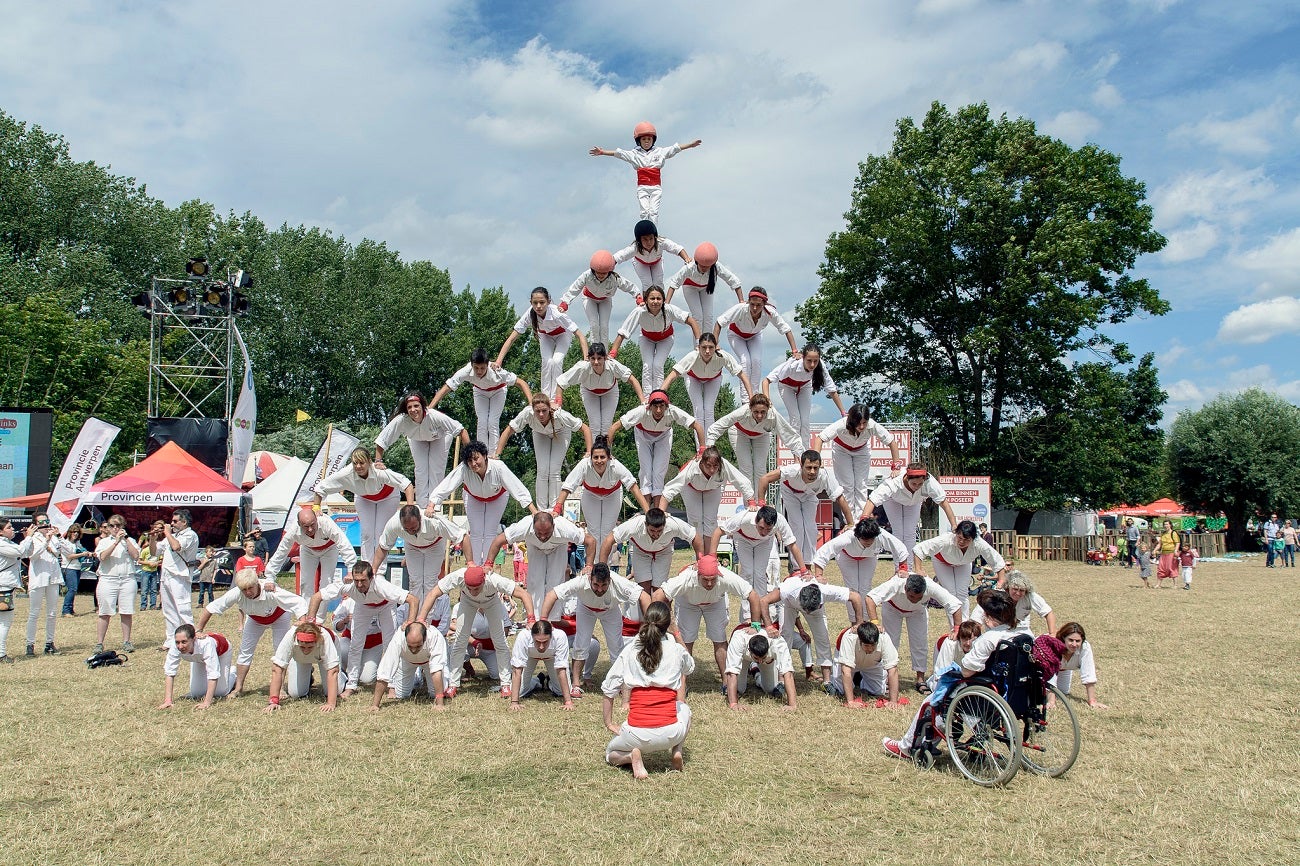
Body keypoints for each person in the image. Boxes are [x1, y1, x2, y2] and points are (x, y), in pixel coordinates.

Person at [882, 589, 1018, 759]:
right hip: (1013, 690)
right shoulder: (1022, 634)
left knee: (932, 702)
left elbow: (968, 670)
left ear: (989, 617)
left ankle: (906, 746)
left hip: (984, 690)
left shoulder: (988, 639)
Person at [600, 600, 694, 779]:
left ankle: (630, 756)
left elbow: (608, 688)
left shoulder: (631, 650)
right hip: (672, 732)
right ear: (668, 624)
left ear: (645, 620)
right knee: (685, 710)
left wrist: (609, 723)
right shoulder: (675, 649)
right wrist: (677, 633)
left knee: (610, 754)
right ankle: (677, 750)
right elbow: (689, 667)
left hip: (636, 733)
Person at [416, 564, 536, 699]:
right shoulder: (459, 576)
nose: (473, 591)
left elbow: (523, 594)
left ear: (484, 580)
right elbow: (434, 593)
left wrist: (531, 619)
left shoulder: (494, 579)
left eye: (476, 588)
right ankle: (453, 684)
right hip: (468, 602)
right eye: (470, 588)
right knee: (459, 641)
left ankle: (506, 684)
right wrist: (421, 618)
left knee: (500, 641)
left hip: (491, 603)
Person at [305, 561, 417, 697]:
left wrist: (410, 621)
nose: (359, 585)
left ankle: (391, 684)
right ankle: (351, 685)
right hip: (363, 606)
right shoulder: (348, 586)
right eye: (356, 580)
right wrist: (310, 623)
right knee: (356, 644)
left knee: (390, 644)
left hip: (386, 605)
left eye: (363, 581)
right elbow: (317, 597)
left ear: (371, 578)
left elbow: (413, 599)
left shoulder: (382, 586)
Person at [540, 561, 651, 695]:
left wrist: (648, 624)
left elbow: (644, 596)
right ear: (589, 579)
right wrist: (544, 620)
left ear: (609, 580)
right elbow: (552, 594)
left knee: (616, 645)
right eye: (596, 585)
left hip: (610, 610)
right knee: (581, 643)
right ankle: (576, 683)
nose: (599, 589)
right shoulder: (581, 581)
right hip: (586, 608)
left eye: (604, 585)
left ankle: (621, 682)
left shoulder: (619, 582)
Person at [652, 554, 767, 679]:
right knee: (686, 640)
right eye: (705, 579)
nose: (709, 583)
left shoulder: (726, 576)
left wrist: (756, 625)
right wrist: (666, 621)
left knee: (719, 639)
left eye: (713, 579)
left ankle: (726, 682)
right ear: (698, 575)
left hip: (715, 603)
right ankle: (681, 684)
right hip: (688, 603)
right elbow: (657, 596)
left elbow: (753, 596)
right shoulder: (686, 578)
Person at [196, 568, 308, 696]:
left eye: (250, 588)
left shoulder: (270, 590)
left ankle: (280, 688)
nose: (248, 592)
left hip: (279, 617)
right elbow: (211, 608)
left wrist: (302, 621)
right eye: (244, 589)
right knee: (245, 651)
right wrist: (199, 629)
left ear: (257, 584)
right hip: (255, 619)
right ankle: (238, 688)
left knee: (280, 651)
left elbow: (298, 601)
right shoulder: (236, 593)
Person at [427, 440, 537, 566]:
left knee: (490, 531)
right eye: (469, 461)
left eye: (476, 458)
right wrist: (432, 504)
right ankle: (474, 566)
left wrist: (533, 510)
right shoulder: (464, 469)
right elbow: (447, 484)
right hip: (472, 497)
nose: (473, 464)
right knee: (476, 532)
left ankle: (487, 565)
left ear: (484, 456)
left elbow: (516, 487)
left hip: (498, 497)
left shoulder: (498, 466)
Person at [756, 573, 864, 685]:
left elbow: (855, 597)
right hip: (788, 603)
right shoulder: (788, 589)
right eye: (806, 609)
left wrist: (859, 622)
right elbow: (763, 601)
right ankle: (782, 679)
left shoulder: (826, 590)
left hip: (816, 611)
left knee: (823, 638)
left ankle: (827, 681)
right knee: (785, 636)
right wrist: (769, 626)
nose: (807, 612)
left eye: (809, 610)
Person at [865, 572, 963, 694]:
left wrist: (958, 628)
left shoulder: (931, 586)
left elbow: (955, 604)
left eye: (919, 597)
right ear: (905, 588)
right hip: (892, 609)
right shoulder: (896, 583)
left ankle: (920, 679)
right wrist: (874, 622)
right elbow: (870, 598)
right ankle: (887, 680)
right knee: (890, 642)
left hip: (918, 611)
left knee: (920, 642)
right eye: (911, 596)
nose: (915, 600)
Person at [313, 447, 415, 563]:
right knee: (367, 533)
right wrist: (316, 507)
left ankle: (379, 569)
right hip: (364, 498)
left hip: (388, 497)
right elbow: (320, 488)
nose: (358, 467)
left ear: (369, 462)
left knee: (380, 532)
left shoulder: (379, 471)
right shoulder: (346, 474)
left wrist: (410, 508)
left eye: (362, 463)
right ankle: (366, 567)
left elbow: (407, 484)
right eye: (355, 463)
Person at [484, 512, 595, 617]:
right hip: (534, 547)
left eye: (546, 533)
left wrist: (589, 566)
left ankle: (553, 620)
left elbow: (590, 541)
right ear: (533, 526)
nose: (542, 537)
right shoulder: (524, 526)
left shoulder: (564, 527)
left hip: (558, 547)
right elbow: (498, 540)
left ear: (554, 526)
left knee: (555, 583)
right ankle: (534, 618)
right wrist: (488, 564)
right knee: (534, 581)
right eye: (539, 533)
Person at [589, 121, 702, 222]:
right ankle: (643, 235)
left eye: (649, 139)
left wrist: (690, 145)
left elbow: (675, 148)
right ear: (639, 141)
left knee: (653, 212)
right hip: (642, 187)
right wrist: (602, 152)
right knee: (644, 212)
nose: (647, 141)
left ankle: (653, 234)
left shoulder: (659, 152)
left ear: (653, 140)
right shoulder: (634, 154)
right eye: (644, 139)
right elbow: (619, 153)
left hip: (655, 187)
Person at [495, 393, 591, 509]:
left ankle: (554, 509)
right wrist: (497, 454)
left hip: (561, 432)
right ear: (533, 409)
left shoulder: (560, 415)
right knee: (542, 470)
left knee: (554, 470)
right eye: (537, 411)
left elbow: (585, 428)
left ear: (549, 408)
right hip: (539, 433)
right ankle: (541, 510)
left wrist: (589, 452)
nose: (541, 414)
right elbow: (509, 430)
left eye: (544, 411)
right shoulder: (527, 413)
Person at [712, 505, 808, 620]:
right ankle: (747, 614)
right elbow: (718, 532)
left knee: (759, 573)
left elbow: (792, 545)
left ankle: (762, 609)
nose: (764, 531)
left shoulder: (780, 520)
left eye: (768, 529)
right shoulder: (744, 517)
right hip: (743, 539)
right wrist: (712, 558)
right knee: (747, 572)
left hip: (764, 542)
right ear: (756, 520)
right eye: (761, 527)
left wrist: (804, 570)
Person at [372, 504, 469, 615]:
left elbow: (462, 536)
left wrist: (470, 563)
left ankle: (426, 619)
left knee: (430, 581)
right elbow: (383, 547)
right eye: (406, 529)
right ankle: (413, 618)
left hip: (435, 545)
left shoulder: (434, 521)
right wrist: (374, 569)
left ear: (420, 519)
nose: (410, 531)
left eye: (413, 528)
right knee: (415, 582)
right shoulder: (394, 523)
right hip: (412, 546)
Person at [374, 390, 469, 504]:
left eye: (416, 406)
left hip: (440, 436)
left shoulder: (434, 416)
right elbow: (383, 439)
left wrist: (469, 455)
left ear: (423, 406)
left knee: (436, 469)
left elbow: (461, 430)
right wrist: (378, 461)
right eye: (409, 407)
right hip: (416, 439)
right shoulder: (401, 420)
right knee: (420, 470)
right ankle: (421, 505)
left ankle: (435, 505)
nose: (413, 410)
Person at [606, 389, 705, 498]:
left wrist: (702, 450)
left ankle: (658, 510)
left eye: (662, 406)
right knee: (646, 471)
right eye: (655, 406)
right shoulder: (641, 411)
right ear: (649, 406)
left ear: (667, 406)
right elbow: (614, 427)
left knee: (659, 472)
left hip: (663, 436)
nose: (658, 410)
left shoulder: (673, 411)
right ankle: (647, 508)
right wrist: (607, 452)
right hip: (643, 435)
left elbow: (697, 426)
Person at [758, 450, 853, 561]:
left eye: (815, 468)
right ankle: (796, 566)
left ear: (820, 467)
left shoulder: (825, 476)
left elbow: (840, 498)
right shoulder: (792, 470)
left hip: (809, 496)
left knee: (810, 528)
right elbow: (764, 479)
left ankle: (808, 564)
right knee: (798, 526)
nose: (812, 472)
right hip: (790, 493)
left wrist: (850, 523)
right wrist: (761, 506)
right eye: (808, 467)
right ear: (801, 466)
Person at [554, 436, 649, 547]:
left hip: (613, 495)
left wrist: (648, 511)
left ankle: (604, 564)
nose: (599, 461)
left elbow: (633, 486)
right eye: (596, 457)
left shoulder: (616, 465)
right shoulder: (584, 464)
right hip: (590, 495)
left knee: (607, 532)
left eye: (602, 457)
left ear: (609, 458)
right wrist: (557, 509)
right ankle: (593, 564)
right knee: (593, 531)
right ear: (591, 458)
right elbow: (568, 486)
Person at [809, 404, 902, 516]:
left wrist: (896, 467)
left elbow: (891, 442)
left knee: (861, 485)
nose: (862, 426)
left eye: (864, 423)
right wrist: (816, 462)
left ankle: (861, 519)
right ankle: (850, 521)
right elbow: (820, 438)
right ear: (852, 420)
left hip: (862, 450)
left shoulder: (872, 426)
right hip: (841, 450)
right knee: (847, 485)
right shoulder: (842, 424)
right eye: (858, 423)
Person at [432, 348, 532, 452]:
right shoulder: (465, 371)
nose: (479, 371)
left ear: (487, 365)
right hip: (480, 392)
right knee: (482, 421)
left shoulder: (496, 371)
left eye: (482, 368)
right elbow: (447, 387)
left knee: (492, 421)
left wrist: (531, 403)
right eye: (476, 368)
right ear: (471, 365)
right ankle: (482, 453)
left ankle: (494, 455)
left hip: (498, 391)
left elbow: (521, 383)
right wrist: (430, 408)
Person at [496, 286, 589, 397]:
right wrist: (498, 361)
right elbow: (512, 338)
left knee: (556, 361)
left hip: (563, 334)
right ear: (531, 303)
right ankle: (545, 397)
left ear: (548, 302)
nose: (538, 306)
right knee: (547, 362)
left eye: (542, 302)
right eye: (535, 303)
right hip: (545, 335)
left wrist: (586, 358)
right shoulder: (529, 314)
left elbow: (580, 335)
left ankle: (555, 398)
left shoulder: (556, 313)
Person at [861, 464, 958, 569]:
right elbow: (873, 500)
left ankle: (909, 569)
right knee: (898, 532)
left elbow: (944, 503)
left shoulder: (930, 483)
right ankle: (899, 569)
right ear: (907, 478)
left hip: (914, 502)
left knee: (910, 533)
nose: (916, 487)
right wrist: (864, 520)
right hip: (893, 500)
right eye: (914, 484)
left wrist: (954, 524)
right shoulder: (894, 482)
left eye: (920, 484)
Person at [706, 393, 804, 496]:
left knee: (760, 467)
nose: (759, 415)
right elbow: (720, 425)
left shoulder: (773, 415)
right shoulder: (742, 411)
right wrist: (710, 445)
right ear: (750, 408)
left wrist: (801, 456)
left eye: (763, 412)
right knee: (746, 467)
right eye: (756, 412)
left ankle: (760, 502)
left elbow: (789, 435)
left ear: (768, 409)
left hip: (761, 435)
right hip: (739, 432)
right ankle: (749, 502)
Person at [659, 446, 754, 552]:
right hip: (690, 488)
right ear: (701, 463)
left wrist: (751, 502)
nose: (712, 470)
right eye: (708, 466)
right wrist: (661, 512)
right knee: (695, 521)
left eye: (715, 466)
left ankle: (710, 557)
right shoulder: (692, 467)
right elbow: (670, 488)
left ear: (720, 464)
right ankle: (699, 559)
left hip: (713, 489)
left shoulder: (724, 465)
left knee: (711, 521)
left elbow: (741, 481)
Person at [811, 518, 908, 620]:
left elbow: (900, 548)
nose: (869, 542)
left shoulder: (881, 534)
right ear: (858, 536)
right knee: (852, 589)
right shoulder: (848, 536)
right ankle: (855, 621)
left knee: (865, 588)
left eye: (872, 538)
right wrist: (819, 575)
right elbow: (825, 551)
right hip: (846, 556)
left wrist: (902, 568)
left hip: (869, 557)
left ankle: (865, 621)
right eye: (865, 539)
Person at [610, 285, 701, 392]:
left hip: (666, 338)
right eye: (652, 298)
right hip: (646, 338)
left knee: (657, 365)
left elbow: (691, 321)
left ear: (663, 300)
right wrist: (612, 354)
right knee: (647, 366)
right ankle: (647, 399)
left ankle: (658, 396)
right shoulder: (639, 311)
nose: (655, 302)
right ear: (646, 300)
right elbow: (623, 332)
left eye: (658, 299)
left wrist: (698, 344)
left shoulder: (669, 309)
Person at [912, 519, 1008, 618]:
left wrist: (1001, 580)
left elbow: (995, 559)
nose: (962, 542)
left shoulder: (979, 543)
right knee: (951, 593)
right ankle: (954, 627)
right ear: (956, 533)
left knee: (962, 593)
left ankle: (964, 626)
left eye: (967, 540)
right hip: (942, 562)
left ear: (973, 538)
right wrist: (918, 569)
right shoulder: (946, 539)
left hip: (963, 564)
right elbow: (919, 549)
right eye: (959, 537)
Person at [714, 287, 798, 399]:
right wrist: (715, 344)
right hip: (736, 335)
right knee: (745, 361)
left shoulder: (770, 312)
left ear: (764, 304)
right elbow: (719, 322)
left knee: (756, 361)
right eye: (752, 304)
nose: (754, 308)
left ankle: (754, 396)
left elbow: (786, 329)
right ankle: (746, 399)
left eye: (758, 305)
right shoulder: (741, 309)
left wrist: (794, 351)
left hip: (755, 336)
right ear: (748, 301)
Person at [662, 332, 752, 433]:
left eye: (711, 347)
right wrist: (660, 394)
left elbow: (742, 375)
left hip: (713, 379)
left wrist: (751, 397)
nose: (707, 351)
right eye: (704, 347)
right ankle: (701, 447)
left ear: (716, 347)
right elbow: (673, 374)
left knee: (709, 410)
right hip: (693, 378)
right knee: (699, 410)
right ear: (698, 347)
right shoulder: (692, 356)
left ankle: (709, 445)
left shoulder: (723, 356)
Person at [762, 344, 846, 447]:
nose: (812, 365)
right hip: (786, 386)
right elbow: (766, 381)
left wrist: (843, 412)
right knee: (795, 419)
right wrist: (767, 401)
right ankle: (796, 453)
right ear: (803, 358)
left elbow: (832, 390)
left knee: (805, 421)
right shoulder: (793, 364)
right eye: (809, 360)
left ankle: (805, 454)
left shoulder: (821, 367)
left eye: (815, 361)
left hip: (804, 386)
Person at [601, 508, 702, 591]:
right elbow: (608, 540)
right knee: (643, 587)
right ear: (645, 524)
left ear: (665, 524)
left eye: (659, 531)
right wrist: (602, 567)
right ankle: (647, 615)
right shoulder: (635, 525)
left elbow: (694, 537)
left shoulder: (673, 523)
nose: (656, 534)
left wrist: (700, 561)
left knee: (660, 589)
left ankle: (659, 613)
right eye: (652, 530)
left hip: (663, 551)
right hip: (640, 551)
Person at [265, 506, 358, 596]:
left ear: (316, 519)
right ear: (299, 524)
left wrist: (351, 570)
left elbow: (344, 544)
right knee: (305, 582)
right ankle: (308, 611)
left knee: (327, 583)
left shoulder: (326, 523)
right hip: (308, 550)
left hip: (330, 549)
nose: (310, 529)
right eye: (306, 526)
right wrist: (269, 577)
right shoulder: (293, 531)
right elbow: (281, 552)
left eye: (312, 525)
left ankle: (321, 612)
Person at [558, 250, 641, 345]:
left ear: (610, 272)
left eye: (604, 273)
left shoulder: (614, 278)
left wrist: (638, 297)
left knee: (604, 326)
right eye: (598, 273)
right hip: (589, 298)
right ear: (593, 270)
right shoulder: (586, 275)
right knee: (594, 325)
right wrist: (565, 302)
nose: (601, 275)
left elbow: (629, 286)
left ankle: (603, 354)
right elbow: (574, 288)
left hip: (605, 300)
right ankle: (595, 352)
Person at [18, 514, 73, 656]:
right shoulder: (32, 538)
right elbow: (33, 556)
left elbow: (69, 551)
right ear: (35, 524)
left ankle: (49, 643)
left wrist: (59, 536)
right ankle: (30, 644)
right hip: (38, 578)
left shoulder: (54, 537)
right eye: (42, 522)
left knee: (52, 613)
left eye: (47, 521)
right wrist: (45, 541)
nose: (45, 524)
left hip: (53, 577)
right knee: (34, 612)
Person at [264, 621, 342, 713]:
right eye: (302, 647)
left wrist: (330, 703)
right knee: (296, 694)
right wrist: (274, 701)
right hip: (300, 658)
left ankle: (343, 674)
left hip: (323, 655)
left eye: (309, 647)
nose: (306, 650)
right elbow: (277, 668)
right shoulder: (290, 636)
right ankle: (308, 675)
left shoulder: (325, 637)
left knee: (335, 692)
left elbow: (333, 671)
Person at [666, 242, 743, 336]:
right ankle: (698, 345)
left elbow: (733, 280)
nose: (704, 269)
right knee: (698, 316)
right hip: (690, 287)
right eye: (702, 266)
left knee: (708, 317)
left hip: (706, 288)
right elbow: (674, 283)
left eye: (707, 267)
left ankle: (708, 344)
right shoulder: (689, 267)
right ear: (697, 261)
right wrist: (666, 304)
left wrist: (741, 300)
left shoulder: (717, 267)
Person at [371, 621, 448, 711]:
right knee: (401, 695)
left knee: (435, 694)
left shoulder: (435, 636)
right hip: (407, 661)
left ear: (425, 637)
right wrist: (375, 705)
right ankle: (417, 679)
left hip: (429, 662)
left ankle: (440, 679)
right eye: (410, 646)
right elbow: (385, 670)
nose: (414, 650)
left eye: (418, 646)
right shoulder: (398, 637)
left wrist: (440, 704)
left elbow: (436, 670)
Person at [158, 623, 235, 710]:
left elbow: (213, 674)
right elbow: (170, 672)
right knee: (196, 693)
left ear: (193, 639)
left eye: (184, 642)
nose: (180, 646)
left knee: (221, 692)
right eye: (177, 642)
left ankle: (233, 673)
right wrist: (168, 701)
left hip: (221, 653)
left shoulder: (206, 644)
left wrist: (207, 702)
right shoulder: (174, 647)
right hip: (198, 658)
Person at [93, 515, 140, 654]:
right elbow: (102, 557)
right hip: (108, 579)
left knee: (126, 611)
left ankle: (126, 641)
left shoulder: (129, 540)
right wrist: (115, 543)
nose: (115, 528)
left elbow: (136, 555)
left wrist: (125, 540)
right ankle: (100, 643)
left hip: (127, 578)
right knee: (105, 612)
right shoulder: (103, 542)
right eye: (112, 525)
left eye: (118, 525)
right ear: (108, 527)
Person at [829, 620, 904, 707]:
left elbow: (893, 670)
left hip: (872, 663)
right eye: (866, 646)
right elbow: (845, 671)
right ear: (860, 641)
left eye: (873, 645)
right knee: (840, 689)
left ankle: (859, 678)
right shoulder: (849, 637)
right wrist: (850, 702)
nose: (870, 649)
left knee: (878, 691)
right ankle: (842, 677)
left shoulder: (884, 637)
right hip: (850, 661)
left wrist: (893, 701)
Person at [723, 623, 797, 711]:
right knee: (739, 689)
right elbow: (731, 673)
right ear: (749, 650)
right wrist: (733, 704)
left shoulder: (778, 642)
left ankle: (756, 672)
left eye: (763, 657)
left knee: (770, 689)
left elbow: (788, 673)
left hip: (768, 660)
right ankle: (752, 665)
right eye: (757, 658)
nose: (760, 661)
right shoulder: (738, 639)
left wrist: (792, 705)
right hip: (743, 657)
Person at [508, 620, 575, 709]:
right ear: (532, 636)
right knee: (519, 692)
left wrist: (568, 701)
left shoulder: (560, 636)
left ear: (551, 636)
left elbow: (561, 669)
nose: (541, 647)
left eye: (545, 642)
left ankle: (550, 681)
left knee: (561, 692)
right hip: (530, 657)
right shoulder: (523, 636)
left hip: (552, 657)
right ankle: (539, 680)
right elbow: (517, 670)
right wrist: (514, 702)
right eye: (538, 642)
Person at [614, 219, 690, 291]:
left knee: (658, 283)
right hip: (640, 263)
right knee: (647, 284)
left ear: (655, 237)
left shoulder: (661, 242)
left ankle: (661, 303)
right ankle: (646, 304)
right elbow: (619, 256)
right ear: (639, 240)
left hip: (656, 262)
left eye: (651, 238)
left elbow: (677, 248)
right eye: (645, 239)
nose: (649, 242)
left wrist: (686, 259)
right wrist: (607, 267)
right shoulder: (635, 248)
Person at [975, 569, 1054, 636]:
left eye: (1022, 590)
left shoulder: (1030, 596)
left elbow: (1048, 612)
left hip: (1022, 632)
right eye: (1015, 589)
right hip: (997, 632)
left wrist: (1052, 633)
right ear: (1007, 587)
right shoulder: (997, 594)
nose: (1018, 593)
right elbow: (976, 618)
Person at [1049, 622, 1108, 709]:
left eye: (1077, 641)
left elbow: (1088, 672)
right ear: (1063, 638)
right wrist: (1051, 701)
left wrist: (1092, 701)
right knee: (1039, 694)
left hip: (1064, 669)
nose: (1074, 644)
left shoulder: (1085, 647)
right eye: (1070, 640)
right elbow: (1049, 674)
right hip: (1041, 671)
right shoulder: (1053, 646)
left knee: (1063, 692)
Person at [0, 519, 24, 663]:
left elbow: (25, 552)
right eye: (9, 527)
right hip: (3, 586)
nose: (13, 529)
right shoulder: (2, 544)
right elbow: (20, 551)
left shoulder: (8, 543)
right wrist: (28, 538)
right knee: (4, 622)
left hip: (6, 586)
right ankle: (1, 654)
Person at [59, 523, 92, 617]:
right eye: (74, 531)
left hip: (77, 567)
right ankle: (66, 611)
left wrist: (89, 553)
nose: (76, 534)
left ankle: (70, 609)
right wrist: (82, 554)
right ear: (70, 532)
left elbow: (83, 550)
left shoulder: (77, 543)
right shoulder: (65, 543)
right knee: (72, 589)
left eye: (77, 532)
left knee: (74, 589)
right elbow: (69, 556)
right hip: (68, 568)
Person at [136, 521, 163, 611]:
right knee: (144, 589)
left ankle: (153, 605)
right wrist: (148, 563)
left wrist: (157, 563)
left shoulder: (162, 537)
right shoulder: (145, 535)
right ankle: (143, 605)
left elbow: (161, 557)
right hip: (146, 570)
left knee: (154, 588)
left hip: (155, 569)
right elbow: (139, 557)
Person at [1153, 519, 1180, 587]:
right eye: (1164, 524)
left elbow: (1177, 542)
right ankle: (1158, 584)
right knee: (1160, 568)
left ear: (1170, 525)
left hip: (1171, 553)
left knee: (1172, 568)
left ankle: (1175, 585)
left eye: (1167, 524)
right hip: (1163, 553)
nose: (1165, 526)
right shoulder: (1163, 534)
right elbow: (1160, 544)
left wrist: (1176, 551)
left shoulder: (1173, 533)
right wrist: (1154, 550)